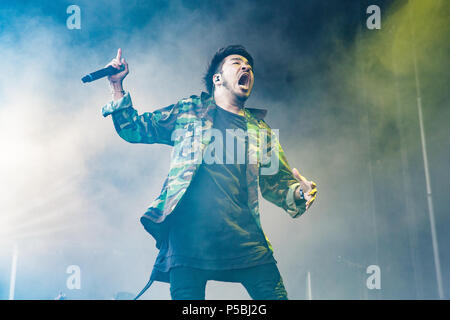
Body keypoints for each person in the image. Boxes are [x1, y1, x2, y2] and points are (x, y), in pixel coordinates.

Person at [101, 45, 317, 300]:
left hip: (244, 239)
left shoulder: (262, 131)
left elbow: (276, 186)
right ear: (217, 78)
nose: (246, 67)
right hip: (188, 241)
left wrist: (300, 193)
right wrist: (117, 87)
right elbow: (135, 129)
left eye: (249, 66)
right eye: (237, 63)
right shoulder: (189, 111)